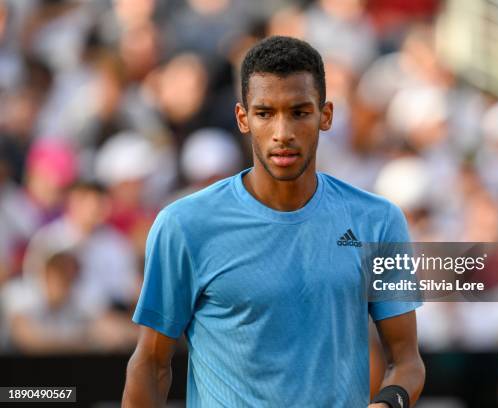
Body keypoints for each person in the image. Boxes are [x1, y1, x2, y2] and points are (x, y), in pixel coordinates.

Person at [123, 36, 425, 407]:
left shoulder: (379, 221)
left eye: (299, 112)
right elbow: (151, 365)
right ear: (243, 118)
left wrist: (386, 404)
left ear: (325, 115)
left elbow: (406, 361)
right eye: (266, 113)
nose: (283, 133)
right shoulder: (183, 225)